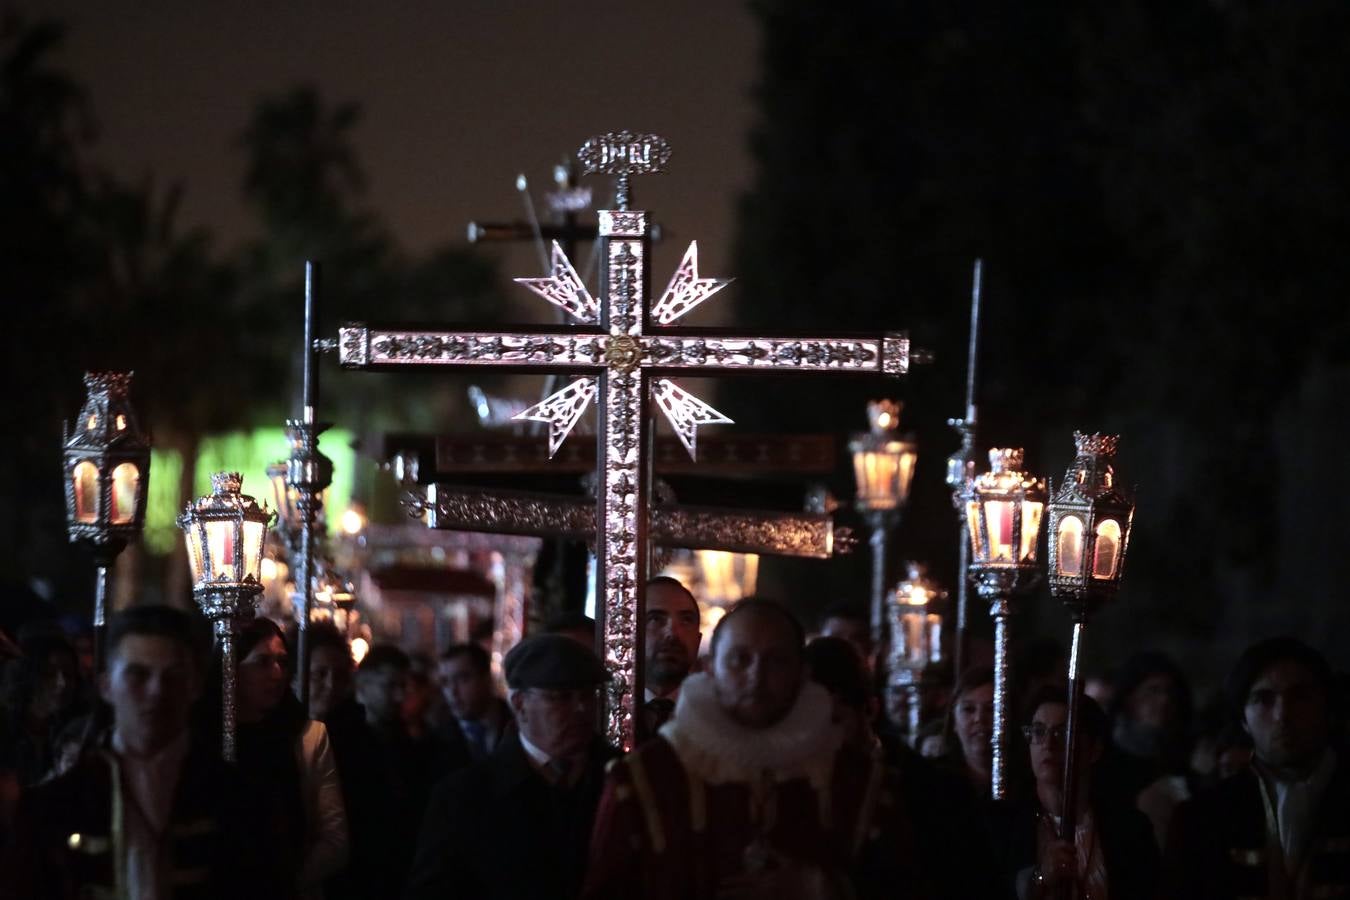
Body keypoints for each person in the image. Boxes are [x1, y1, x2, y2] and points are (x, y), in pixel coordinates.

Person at [583, 598, 927, 900]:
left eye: (776, 661)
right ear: (711, 668)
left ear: (802, 673)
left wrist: (824, 889)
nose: (757, 676)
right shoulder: (647, 779)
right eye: (739, 659)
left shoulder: (858, 782)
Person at [0, 605, 281, 900]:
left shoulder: (243, 802)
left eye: (172, 676)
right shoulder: (53, 807)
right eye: (138, 675)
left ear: (194, 686)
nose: (156, 692)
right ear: (107, 686)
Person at [406, 634, 619, 900]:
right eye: (561, 698)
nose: (580, 709)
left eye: (588, 696)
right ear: (520, 704)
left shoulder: (622, 777)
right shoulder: (463, 797)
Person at [805, 637, 1011, 900]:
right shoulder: (796, 784)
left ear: (869, 710)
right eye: (811, 724)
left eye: (835, 720)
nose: (823, 736)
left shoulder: (938, 791)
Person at [1164, 637, 1349, 899]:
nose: (1282, 715)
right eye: (1264, 699)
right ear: (1243, 719)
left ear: (1326, 708)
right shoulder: (1202, 818)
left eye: (1300, 697)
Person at [990, 687, 1159, 900]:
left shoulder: (1129, 829)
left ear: (1094, 749)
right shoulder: (1002, 823)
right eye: (1038, 731)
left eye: (1063, 733)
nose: (1049, 745)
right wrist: (1039, 878)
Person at [232, 617, 347, 900]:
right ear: (233, 668)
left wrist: (285, 885)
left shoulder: (307, 737)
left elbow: (335, 839)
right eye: (262, 662)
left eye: (283, 663)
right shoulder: (211, 736)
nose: (277, 674)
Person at [355, 644, 462, 895]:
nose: (400, 696)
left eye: (404, 687)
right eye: (390, 686)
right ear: (362, 684)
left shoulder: (414, 742)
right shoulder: (343, 740)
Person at [1098, 651, 1195, 846]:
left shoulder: (1180, 757)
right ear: (1129, 697)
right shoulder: (1105, 758)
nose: (1164, 700)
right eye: (1153, 690)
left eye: (1169, 692)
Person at [0, 629, 85, 786]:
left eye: (68, 674)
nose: (62, 684)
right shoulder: (5, 729)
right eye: (49, 674)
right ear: (28, 675)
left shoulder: (77, 731)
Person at [434, 642, 514, 761]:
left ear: (486, 678)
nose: (452, 692)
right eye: (445, 682)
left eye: (462, 679)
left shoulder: (517, 723)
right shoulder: (434, 738)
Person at [643, 576, 701, 735]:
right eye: (656, 619)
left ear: (698, 640)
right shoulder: (601, 707)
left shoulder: (718, 714)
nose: (672, 634)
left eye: (686, 620)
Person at [937, 665, 996, 798]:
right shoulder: (934, 778)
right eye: (969, 709)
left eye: (991, 709)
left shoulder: (1025, 781)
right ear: (954, 722)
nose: (979, 718)